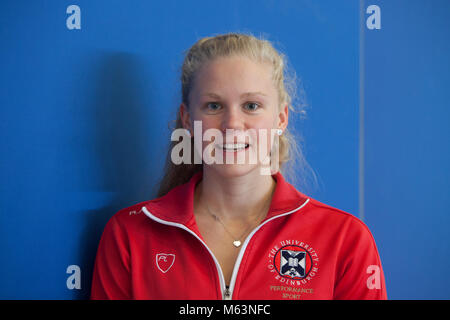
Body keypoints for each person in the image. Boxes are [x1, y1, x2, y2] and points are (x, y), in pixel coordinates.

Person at [90, 32, 387, 300]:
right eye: (214, 106)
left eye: (251, 106)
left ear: (281, 118)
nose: (232, 125)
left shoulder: (344, 239)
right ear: (187, 120)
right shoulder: (129, 235)